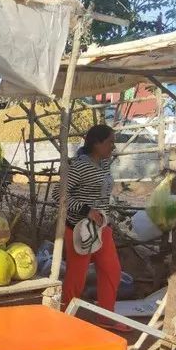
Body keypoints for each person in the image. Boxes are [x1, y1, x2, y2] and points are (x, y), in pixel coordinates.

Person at [61, 124, 131, 333]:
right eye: (110, 141)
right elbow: (60, 195)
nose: (113, 145)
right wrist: (86, 210)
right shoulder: (79, 167)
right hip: (79, 229)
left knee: (112, 271)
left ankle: (106, 317)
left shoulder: (104, 164)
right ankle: (64, 317)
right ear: (97, 143)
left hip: (101, 228)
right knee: (76, 278)